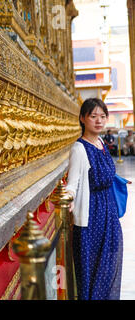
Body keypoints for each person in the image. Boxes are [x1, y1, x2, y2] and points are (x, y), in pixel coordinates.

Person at [66, 98, 124, 300]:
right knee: (92, 271)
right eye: (93, 116)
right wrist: (69, 197)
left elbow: (102, 173)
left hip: (109, 213)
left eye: (102, 116)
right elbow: (73, 182)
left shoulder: (101, 143)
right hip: (92, 218)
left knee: (109, 264)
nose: (99, 121)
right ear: (83, 118)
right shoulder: (79, 148)